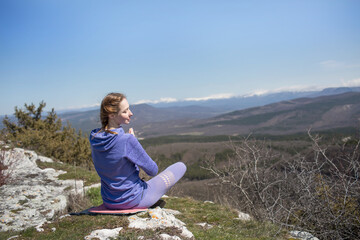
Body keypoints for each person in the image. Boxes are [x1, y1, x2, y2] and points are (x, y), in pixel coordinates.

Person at [89, 92, 186, 209]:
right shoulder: (127, 140)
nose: (131, 113)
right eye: (125, 111)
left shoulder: (94, 138)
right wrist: (134, 144)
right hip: (133, 199)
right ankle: (149, 201)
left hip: (109, 201)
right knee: (180, 166)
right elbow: (153, 170)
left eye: (129, 109)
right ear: (111, 115)